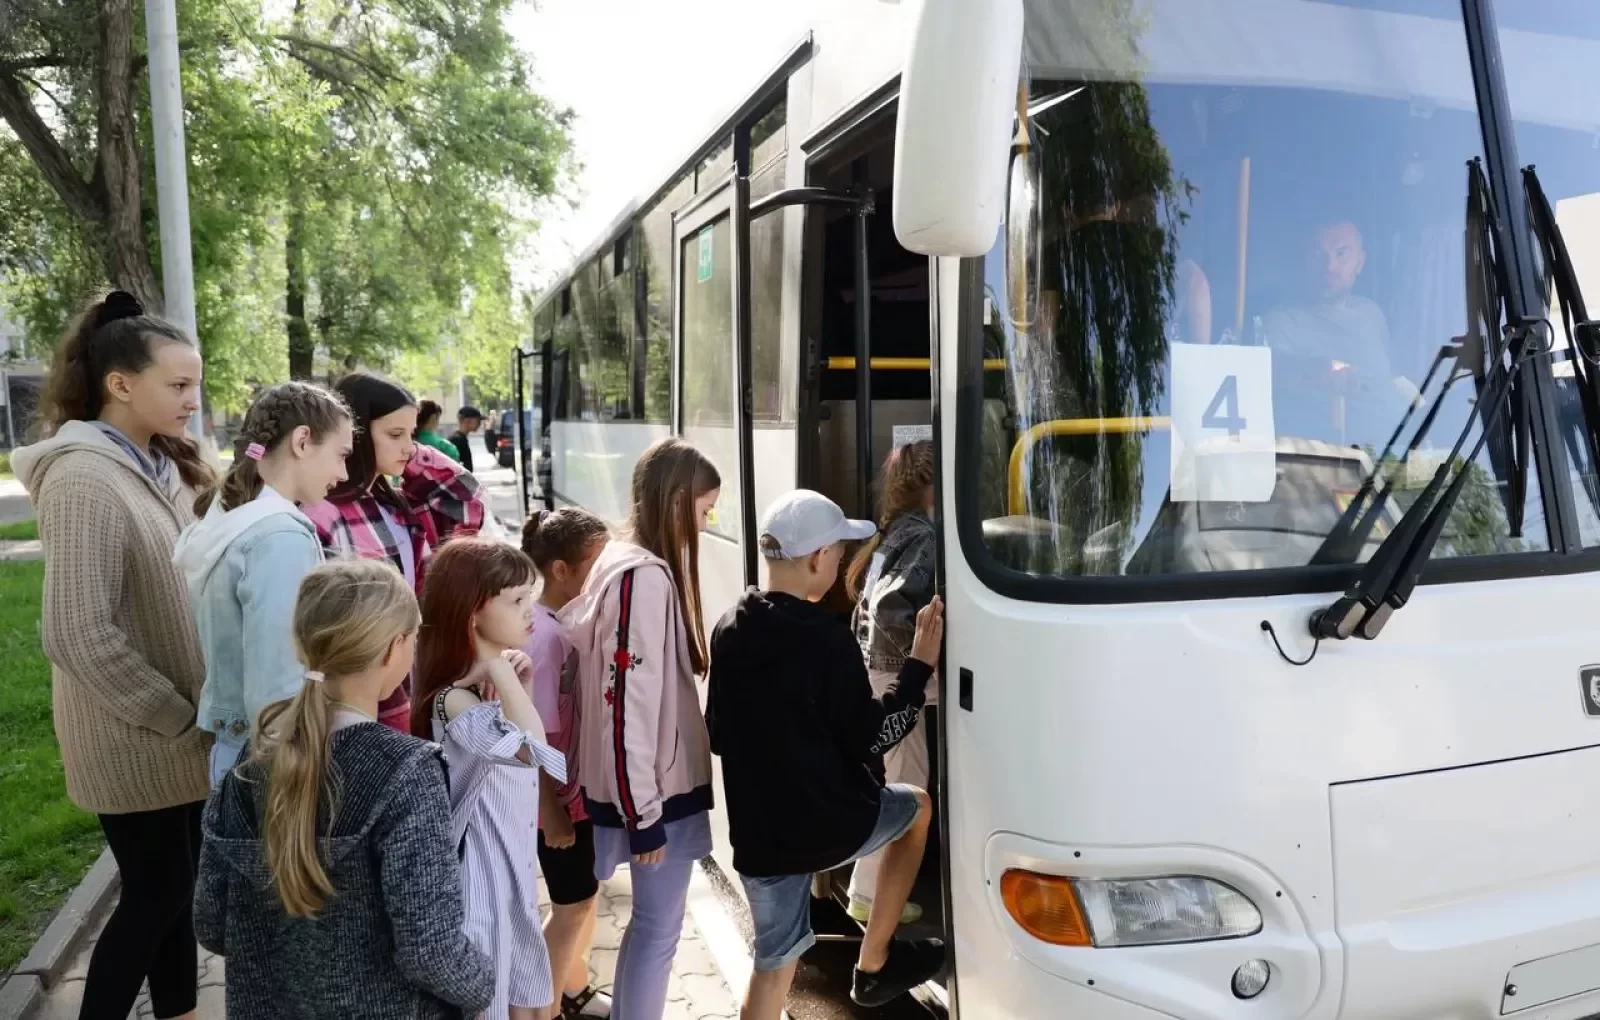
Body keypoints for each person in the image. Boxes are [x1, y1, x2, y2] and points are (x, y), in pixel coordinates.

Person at [13, 290, 214, 1020]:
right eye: (179, 385)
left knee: (177, 894)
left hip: (179, 732)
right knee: (157, 895)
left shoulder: (157, 463)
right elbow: (76, 632)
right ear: (120, 384)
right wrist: (174, 715)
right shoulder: (82, 478)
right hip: (135, 737)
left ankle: (180, 1012)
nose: (193, 400)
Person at [193, 559, 495, 1019]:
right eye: (413, 636)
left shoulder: (250, 765)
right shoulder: (407, 772)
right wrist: (485, 982)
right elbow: (430, 949)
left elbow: (212, 923)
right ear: (393, 648)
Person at [706, 489, 946, 1017]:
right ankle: (875, 962)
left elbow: (718, 734)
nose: (840, 565)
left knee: (773, 967)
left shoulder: (730, 626)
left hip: (760, 839)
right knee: (918, 808)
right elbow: (873, 739)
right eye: (838, 553)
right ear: (817, 558)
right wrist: (917, 666)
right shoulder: (827, 640)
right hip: (824, 827)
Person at [559, 437, 720, 1020]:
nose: (705, 525)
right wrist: (643, 814)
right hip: (653, 793)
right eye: (704, 510)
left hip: (647, 787)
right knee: (658, 930)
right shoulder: (643, 578)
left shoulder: (621, 561)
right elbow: (627, 704)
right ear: (675, 501)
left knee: (650, 927)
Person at [411, 538, 568, 1020]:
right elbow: (534, 753)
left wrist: (515, 682)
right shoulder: (456, 701)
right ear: (473, 613)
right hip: (481, 890)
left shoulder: (480, 691)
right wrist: (501, 670)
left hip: (508, 879)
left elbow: (525, 756)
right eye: (516, 600)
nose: (530, 611)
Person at [175, 381, 353, 787]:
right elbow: (279, 680)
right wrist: (295, 777)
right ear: (302, 441)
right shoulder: (278, 536)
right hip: (268, 760)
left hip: (236, 748)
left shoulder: (232, 515)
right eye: (341, 455)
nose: (343, 473)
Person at [301, 372, 486, 730]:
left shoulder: (395, 504)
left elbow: (467, 501)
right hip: (358, 700)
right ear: (354, 433)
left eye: (411, 435)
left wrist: (411, 455)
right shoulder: (322, 514)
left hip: (412, 676)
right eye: (395, 434)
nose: (407, 447)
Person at [522, 508, 613, 1020]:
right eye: (596, 564)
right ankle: (543, 1008)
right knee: (572, 906)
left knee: (583, 897)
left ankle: (573, 990)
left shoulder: (558, 625)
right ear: (560, 570)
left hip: (570, 796)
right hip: (556, 804)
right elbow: (529, 737)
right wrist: (552, 811)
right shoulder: (546, 638)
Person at [845, 440, 937, 924]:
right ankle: (871, 896)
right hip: (895, 669)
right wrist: (921, 650)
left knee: (901, 778)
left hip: (877, 666)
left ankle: (868, 890)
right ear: (932, 487)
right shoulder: (923, 534)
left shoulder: (896, 529)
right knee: (907, 784)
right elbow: (890, 607)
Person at [452, 405, 484, 471]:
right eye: (478, 421)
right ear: (467, 421)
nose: (479, 424)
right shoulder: (458, 440)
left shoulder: (460, 438)